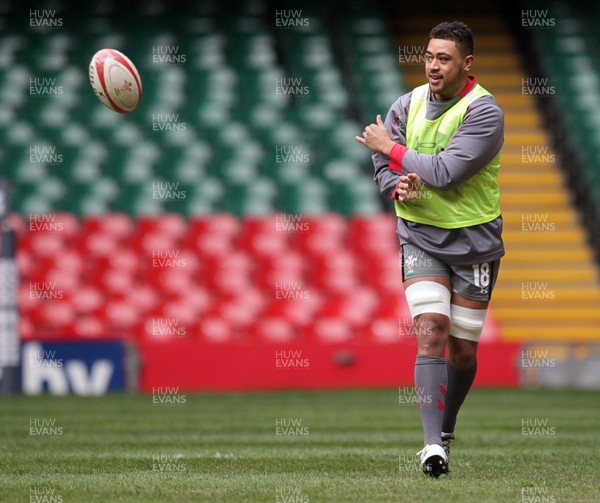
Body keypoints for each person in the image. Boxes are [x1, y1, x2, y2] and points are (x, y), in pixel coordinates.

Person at [355, 20, 504, 477]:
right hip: (420, 235)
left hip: (474, 240)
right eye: (428, 56)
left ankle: (447, 427)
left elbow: (444, 173)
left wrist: (393, 152)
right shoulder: (407, 104)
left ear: (467, 63)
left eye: (444, 58)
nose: (433, 66)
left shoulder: (485, 113)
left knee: (462, 353)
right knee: (431, 327)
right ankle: (431, 446)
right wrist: (396, 184)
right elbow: (383, 163)